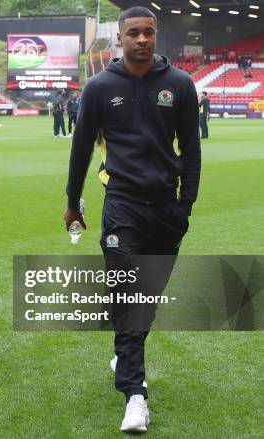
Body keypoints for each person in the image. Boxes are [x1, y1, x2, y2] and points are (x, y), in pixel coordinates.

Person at [64, 7, 201, 433]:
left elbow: (191, 151)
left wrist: (185, 206)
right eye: (133, 33)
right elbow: (81, 149)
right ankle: (134, 395)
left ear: (155, 36)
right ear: (119, 38)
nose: (141, 39)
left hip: (166, 211)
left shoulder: (179, 84)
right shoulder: (100, 87)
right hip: (120, 206)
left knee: (146, 300)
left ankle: (126, 350)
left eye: (148, 33)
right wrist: (73, 202)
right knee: (129, 298)